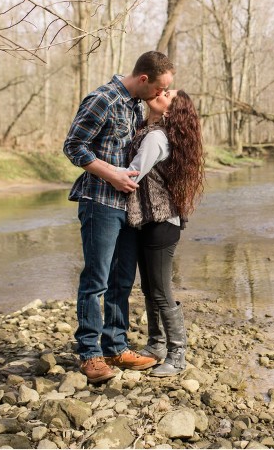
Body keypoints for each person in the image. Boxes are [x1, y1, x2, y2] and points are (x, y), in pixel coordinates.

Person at [63, 51, 175, 384]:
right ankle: (89, 354)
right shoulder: (103, 99)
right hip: (99, 201)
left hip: (128, 207)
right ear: (144, 79)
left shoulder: (136, 105)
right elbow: (73, 146)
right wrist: (110, 174)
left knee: (121, 281)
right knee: (96, 280)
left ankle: (115, 346)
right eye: (160, 88)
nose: (160, 95)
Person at [122, 90, 204, 377]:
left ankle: (178, 354)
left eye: (167, 94)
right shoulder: (148, 130)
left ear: (169, 111)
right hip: (149, 221)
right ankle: (156, 345)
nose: (161, 92)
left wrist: (98, 170)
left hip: (160, 224)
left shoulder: (156, 137)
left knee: (160, 291)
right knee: (149, 289)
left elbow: (132, 174)